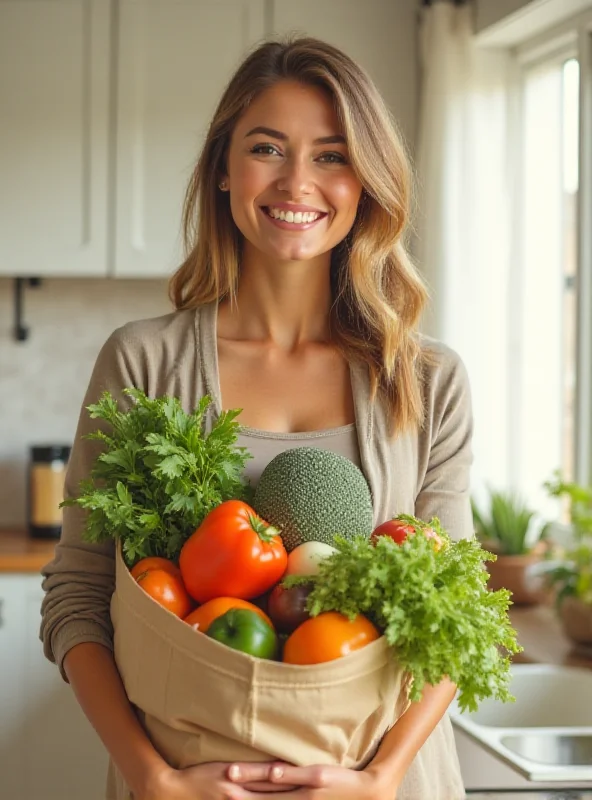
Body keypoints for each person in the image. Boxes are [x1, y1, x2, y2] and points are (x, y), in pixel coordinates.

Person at [40, 37, 473, 800]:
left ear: (368, 179)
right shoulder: (143, 363)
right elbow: (79, 596)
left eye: (333, 156)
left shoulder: (426, 380)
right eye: (267, 148)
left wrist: (383, 778)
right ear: (221, 168)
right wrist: (154, 780)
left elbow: (453, 616)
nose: (297, 181)